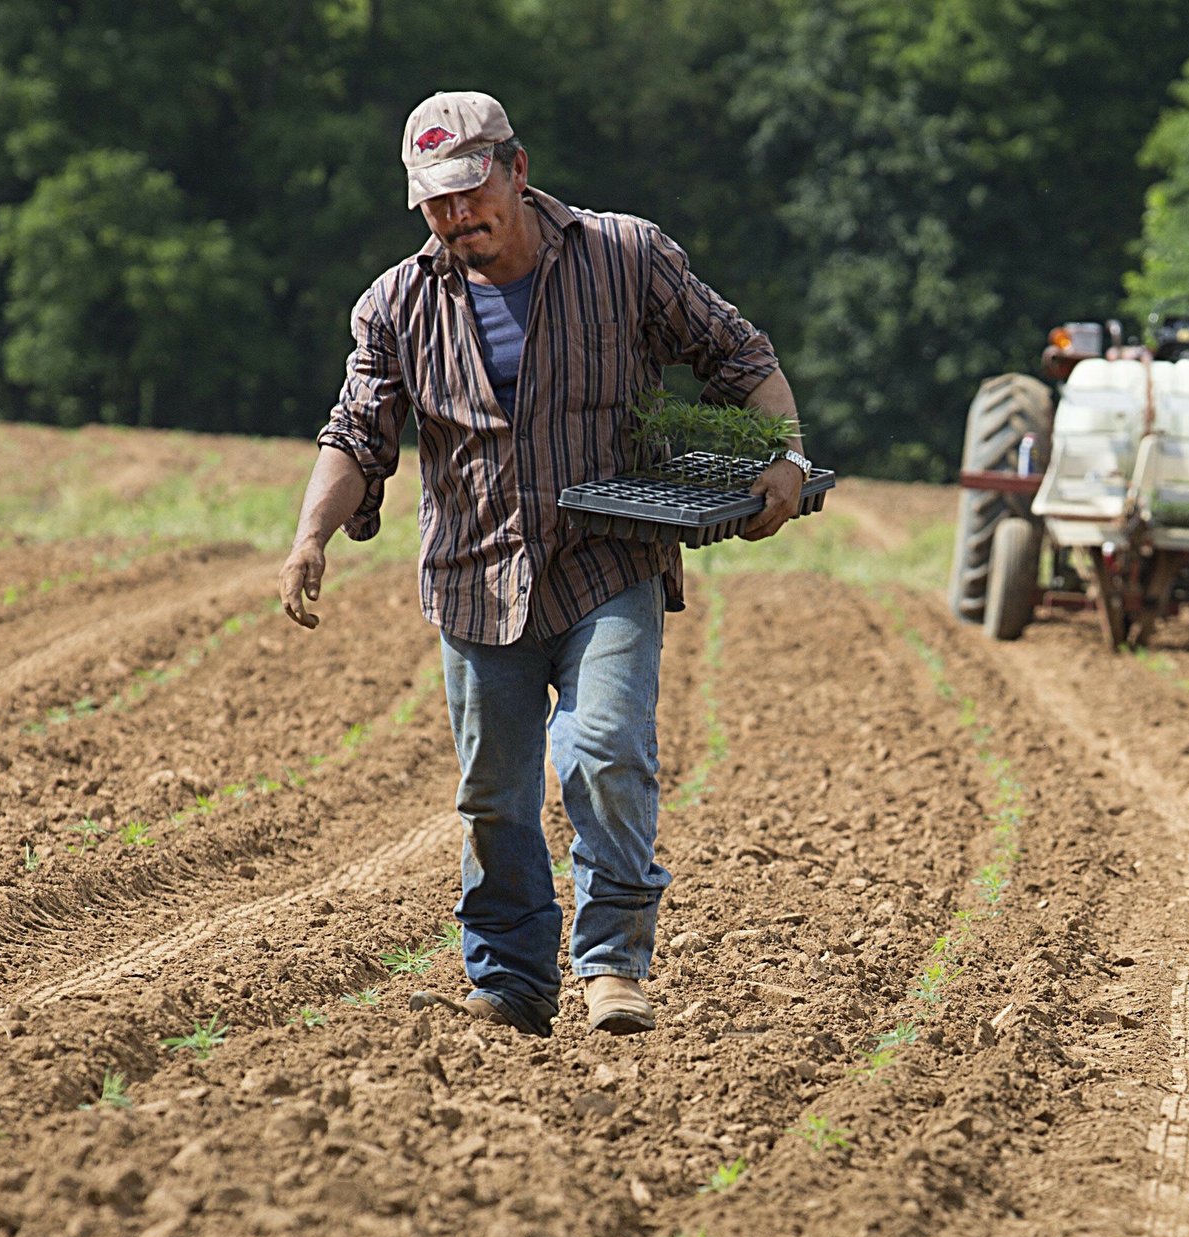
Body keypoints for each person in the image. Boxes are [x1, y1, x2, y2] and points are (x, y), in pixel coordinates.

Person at [277, 90, 814, 1037]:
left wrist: (785, 454)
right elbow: (357, 430)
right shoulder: (397, 303)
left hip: (608, 560)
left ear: (516, 171)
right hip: (476, 575)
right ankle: (514, 982)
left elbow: (737, 352)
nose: (456, 218)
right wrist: (310, 535)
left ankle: (612, 964)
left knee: (602, 753)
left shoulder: (623, 256)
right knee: (492, 796)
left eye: (470, 193)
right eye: (435, 203)